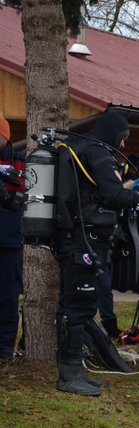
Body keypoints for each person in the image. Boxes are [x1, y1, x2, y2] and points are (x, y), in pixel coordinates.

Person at [55, 111, 139, 395]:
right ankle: (69, 375)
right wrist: (137, 196)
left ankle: (74, 370)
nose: (124, 142)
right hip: (86, 239)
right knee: (79, 307)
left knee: (75, 304)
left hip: (73, 236)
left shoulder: (77, 147)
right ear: (113, 132)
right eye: (124, 136)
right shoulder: (97, 153)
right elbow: (114, 194)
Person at [0, 115, 25, 359]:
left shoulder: (19, 163)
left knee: (8, 297)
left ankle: (5, 347)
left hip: (10, 242)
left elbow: (27, 193)